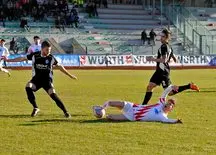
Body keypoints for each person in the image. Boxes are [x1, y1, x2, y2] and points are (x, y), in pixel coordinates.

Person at [5, 41, 77, 118]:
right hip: (36, 80)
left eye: (49, 50)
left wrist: (70, 75)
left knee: (53, 95)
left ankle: (66, 112)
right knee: (28, 87)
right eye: (47, 50)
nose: (48, 52)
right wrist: (9, 60)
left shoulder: (51, 58)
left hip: (47, 81)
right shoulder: (35, 55)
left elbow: (59, 66)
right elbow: (22, 58)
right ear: (42, 49)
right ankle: (35, 108)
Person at [141, 29, 200, 105]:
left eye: (163, 36)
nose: (161, 38)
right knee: (150, 87)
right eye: (161, 36)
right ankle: (143, 106)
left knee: (170, 92)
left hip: (163, 72)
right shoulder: (169, 46)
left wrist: (152, 59)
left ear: (166, 37)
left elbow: (164, 60)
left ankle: (189, 86)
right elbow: (173, 57)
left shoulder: (164, 47)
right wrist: (173, 58)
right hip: (159, 71)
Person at [93, 85, 182, 123]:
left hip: (132, 117)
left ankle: (102, 113)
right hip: (132, 107)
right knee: (112, 103)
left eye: (170, 105)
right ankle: (102, 108)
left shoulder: (162, 116)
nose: (167, 104)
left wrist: (176, 121)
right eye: (168, 102)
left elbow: (168, 121)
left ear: (171, 109)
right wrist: (171, 87)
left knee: (110, 118)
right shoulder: (161, 103)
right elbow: (164, 94)